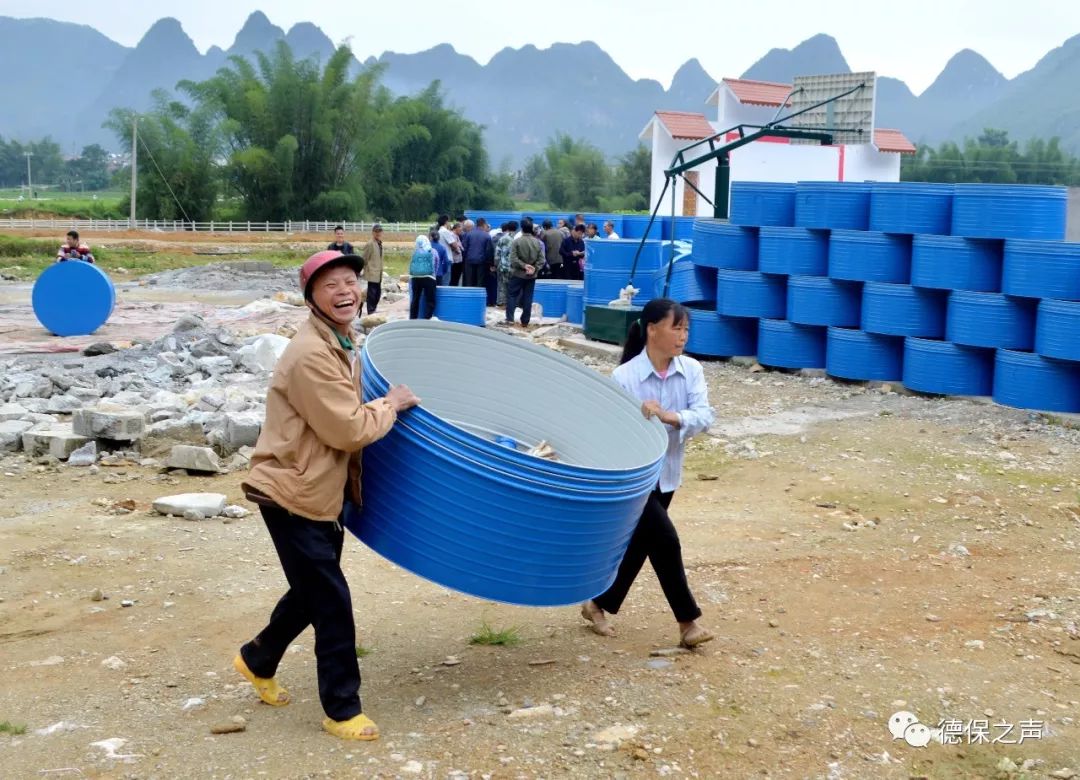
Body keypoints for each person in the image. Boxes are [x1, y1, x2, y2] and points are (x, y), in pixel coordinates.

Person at [236, 249, 420, 742]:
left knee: (311, 591)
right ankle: (342, 710)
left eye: (350, 282)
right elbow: (346, 428)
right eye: (330, 285)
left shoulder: (340, 339)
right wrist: (392, 404)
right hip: (291, 492)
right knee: (332, 601)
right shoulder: (312, 353)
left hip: (317, 491)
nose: (345, 291)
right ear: (312, 297)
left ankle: (257, 658)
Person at [580, 298, 716, 650]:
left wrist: (673, 416)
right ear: (652, 329)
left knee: (642, 545)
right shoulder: (624, 377)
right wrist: (637, 420)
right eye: (677, 328)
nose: (683, 336)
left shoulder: (692, 370)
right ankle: (688, 624)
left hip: (667, 475)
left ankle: (597, 603)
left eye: (687, 329)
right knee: (666, 541)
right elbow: (610, 433)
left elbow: (704, 416)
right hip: (634, 480)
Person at [506, 217, 541, 327]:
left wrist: (524, 266)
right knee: (528, 297)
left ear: (521, 229)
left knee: (512, 295)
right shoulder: (537, 242)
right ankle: (525, 321)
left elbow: (513, 259)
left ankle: (510, 319)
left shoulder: (517, 241)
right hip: (532, 275)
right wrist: (534, 268)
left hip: (518, 274)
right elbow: (542, 260)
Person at [408, 234, 438, 320]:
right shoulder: (432, 251)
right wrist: (434, 275)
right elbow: (436, 263)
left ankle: (412, 318)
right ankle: (427, 319)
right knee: (430, 300)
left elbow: (411, 265)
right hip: (429, 277)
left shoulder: (415, 252)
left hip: (415, 278)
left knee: (415, 299)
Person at [462, 217, 494, 288]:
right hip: (481, 262)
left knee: (469, 282)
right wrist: (490, 264)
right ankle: (478, 297)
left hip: (469, 261)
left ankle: (469, 297)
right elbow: (489, 251)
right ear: (484, 224)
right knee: (480, 282)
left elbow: (464, 248)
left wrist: (465, 259)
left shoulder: (468, 234)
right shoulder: (487, 236)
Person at [360, 224, 383, 315]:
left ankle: (373, 309)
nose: (378, 233)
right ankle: (370, 311)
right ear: (373, 232)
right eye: (376, 231)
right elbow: (364, 258)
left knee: (378, 293)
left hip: (379, 273)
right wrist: (361, 269)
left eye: (379, 231)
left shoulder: (380, 243)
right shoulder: (370, 244)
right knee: (372, 293)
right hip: (372, 273)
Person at [494, 220, 517, 308]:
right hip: (512, 266)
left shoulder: (502, 238)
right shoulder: (516, 239)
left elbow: (497, 253)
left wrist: (496, 264)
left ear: (507, 228)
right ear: (516, 228)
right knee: (511, 286)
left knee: (501, 285)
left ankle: (501, 303)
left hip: (501, 265)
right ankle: (510, 304)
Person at [437, 215, 463, 286]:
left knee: (442, 279)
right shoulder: (445, 231)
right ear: (446, 222)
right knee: (446, 281)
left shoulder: (439, 231)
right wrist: (457, 248)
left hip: (441, 258)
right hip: (447, 258)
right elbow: (454, 244)